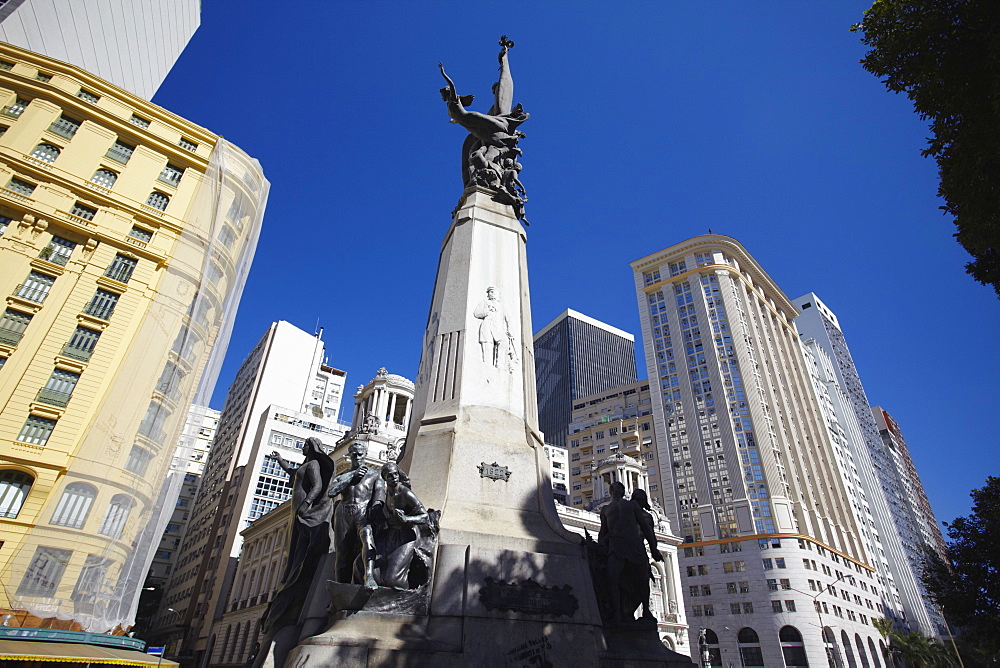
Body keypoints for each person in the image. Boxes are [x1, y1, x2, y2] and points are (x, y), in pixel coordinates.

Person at [598, 482, 663, 622]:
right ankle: (617, 613)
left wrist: (653, 549)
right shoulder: (605, 510)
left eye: (618, 489)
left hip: (633, 547)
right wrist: (600, 546)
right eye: (616, 489)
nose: (617, 491)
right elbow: (603, 532)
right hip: (617, 548)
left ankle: (646, 610)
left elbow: (645, 527)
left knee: (642, 580)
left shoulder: (631, 506)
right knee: (612, 579)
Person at [328, 441, 381, 590]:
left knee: (367, 538)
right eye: (354, 454)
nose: (357, 457)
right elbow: (332, 492)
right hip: (343, 513)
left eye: (360, 454)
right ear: (350, 456)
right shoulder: (343, 476)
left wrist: (376, 508)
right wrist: (352, 476)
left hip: (363, 512)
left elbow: (379, 495)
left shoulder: (375, 474)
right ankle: (340, 589)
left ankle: (369, 576)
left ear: (365, 455)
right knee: (342, 553)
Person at [370, 462, 429, 589]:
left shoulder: (406, 493)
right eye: (390, 476)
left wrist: (407, 519)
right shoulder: (386, 493)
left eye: (396, 474)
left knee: (393, 579)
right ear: (385, 478)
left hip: (405, 537)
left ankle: (408, 599)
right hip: (389, 535)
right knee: (374, 574)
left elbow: (424, 516)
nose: (394, 478)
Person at [473, 287, 513, 366]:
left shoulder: (501, 306)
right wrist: (487, 312)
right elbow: (476, 313)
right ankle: (487, 365)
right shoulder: (485, 302)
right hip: (487, 325)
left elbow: (508, 319)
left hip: (498, 328)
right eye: (489, 292)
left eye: (492, 292)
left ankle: (500, 364)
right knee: (487, 344)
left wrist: (510, 330)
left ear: (497, 294)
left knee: (504, 342)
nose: (490, 294)